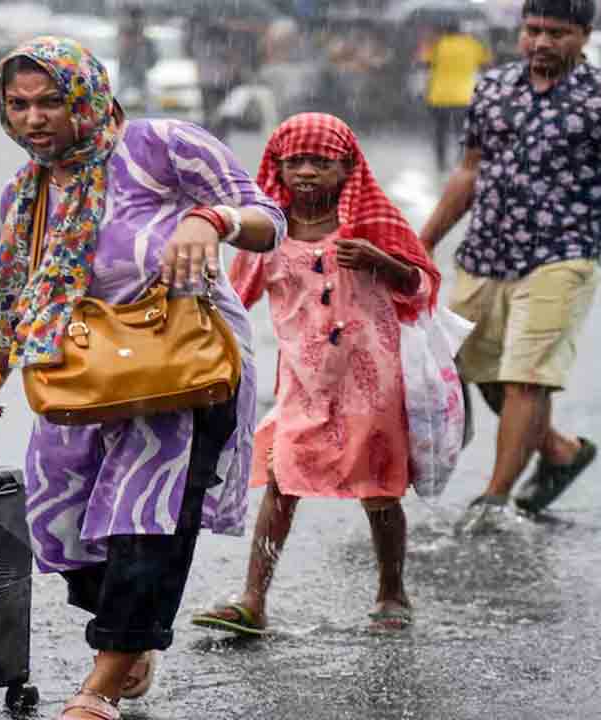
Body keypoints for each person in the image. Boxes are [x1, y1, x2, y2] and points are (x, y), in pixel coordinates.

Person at [0, 37, 285, 720]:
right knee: (62, 532)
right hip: (78, 381)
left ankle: (98, 689)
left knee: (147, 524)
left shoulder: (161, 146)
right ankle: (131, 643)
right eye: (18, 105)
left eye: (51, 101)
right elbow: (11, 300)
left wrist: (209, 218)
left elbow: (267, 222)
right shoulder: (27, 193)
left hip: (180, 375)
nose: (34, 118)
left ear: (87, 94)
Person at [415, 0, 601, 532]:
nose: (542, 43)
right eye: (533, 30)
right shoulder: (493, 88)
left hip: (563, 257)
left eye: (557, 32)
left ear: (584, 36)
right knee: (468, 369)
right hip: (486, 253)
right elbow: (469, 172)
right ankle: (558, 450)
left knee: (528, 378)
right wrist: (425, 240)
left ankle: (494, 502)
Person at [189, 113, 443, 635]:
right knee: (282, 482)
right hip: (303, 383)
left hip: (373, 383)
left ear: (347, 169)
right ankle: (253, 599)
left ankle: (392, 592)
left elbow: (420, 288)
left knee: (379, 489)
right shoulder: (269, 235)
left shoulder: (370, 226)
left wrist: (380, 262)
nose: (306, 173)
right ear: (278, 167)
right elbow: (235, 299)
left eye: (320, 163)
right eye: (295, 162)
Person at [422, 19, 492, 174]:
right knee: (463, 132)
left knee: (440, 132)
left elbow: (426, 62)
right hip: (464, 96)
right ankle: (461, 163)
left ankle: (441, 163)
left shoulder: (438, 44)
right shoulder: (471, 44)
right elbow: (486, 61)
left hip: (439, 96)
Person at [115, 5, 156, 105]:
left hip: (140, 71)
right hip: (128, 70)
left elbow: (152, 55)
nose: (139, 21)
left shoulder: (144, 37)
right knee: (119, 97)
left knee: (147, 100)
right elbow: (121, 53)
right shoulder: (126, 34)